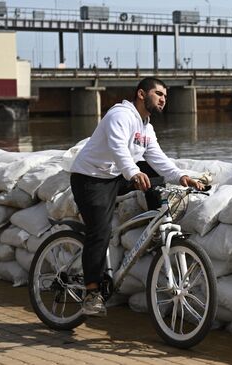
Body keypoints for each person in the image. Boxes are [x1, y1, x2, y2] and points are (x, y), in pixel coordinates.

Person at [70, 77, 204, 316]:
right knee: (100, 231)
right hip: (90, 178)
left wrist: (181, 176)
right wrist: (133, 172)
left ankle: (157, 219)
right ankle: (91, 292)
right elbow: (118, 147)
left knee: (155, 173)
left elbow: (157, 158)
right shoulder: (120, 115)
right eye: (159, 94)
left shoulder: (146, 126)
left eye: (165, 96)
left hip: (116, 176)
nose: (163, 99)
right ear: (142, 94)